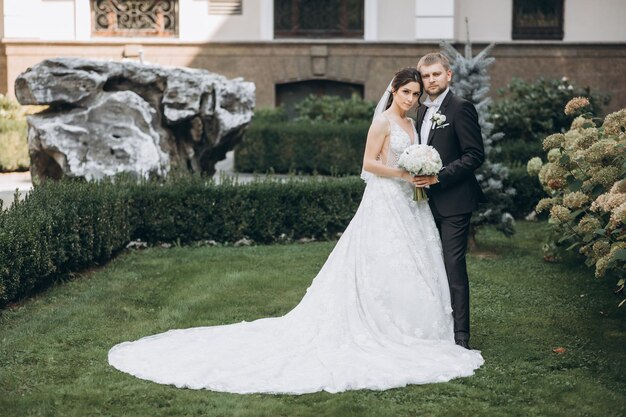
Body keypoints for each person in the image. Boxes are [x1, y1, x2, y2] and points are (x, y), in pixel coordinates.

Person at [108, 67, 484, 395]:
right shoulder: (384, 121)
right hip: (386, 200)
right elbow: (368, 163)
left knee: (417, 263)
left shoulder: (412, 122)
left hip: (411, 204)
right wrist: (405, 173)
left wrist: (419, 171)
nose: (412, 98)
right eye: (407, 92)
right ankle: (383, 325)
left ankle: (422, 328)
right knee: (383, 262)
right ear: (394, 90)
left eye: (417, 93)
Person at [413, 53, 486, 350]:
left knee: (453, 265)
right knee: (426, 265)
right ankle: (433, 324)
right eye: (426, 75)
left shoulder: (460, 108)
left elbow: (474, 155)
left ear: (448, 75)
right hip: (422, 204)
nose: (431, 80)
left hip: (455, 201)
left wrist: (438, 178)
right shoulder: (418, 111)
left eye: (436, 74)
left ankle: (461, 335)